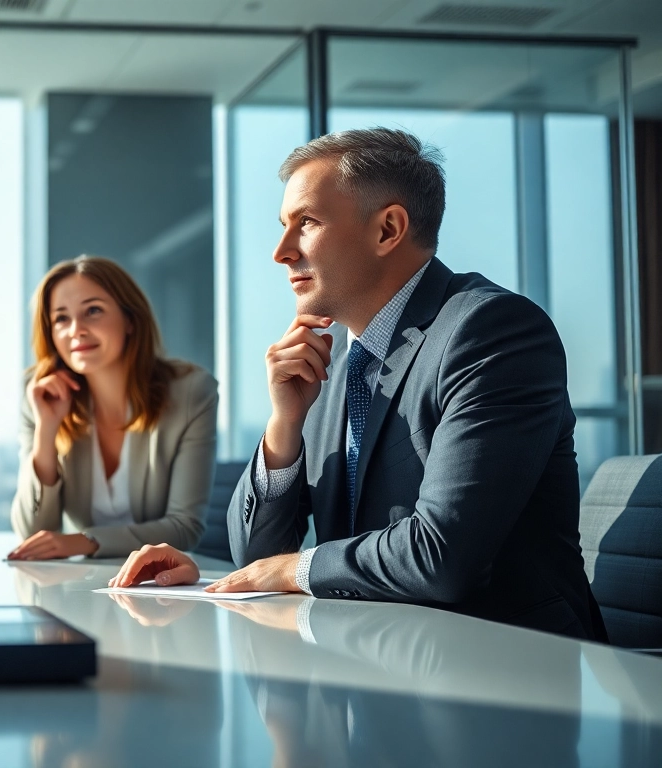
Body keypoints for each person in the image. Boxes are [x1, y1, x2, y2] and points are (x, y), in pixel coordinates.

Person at [109, 128, 606, 641]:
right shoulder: (336, 360)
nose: (281, 251)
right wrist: (285, 424)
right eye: (283, 226)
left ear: (388, 228)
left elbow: (441, 556)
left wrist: (290, 569)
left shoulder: (491, 331)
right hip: (369, 661)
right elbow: (256, 557)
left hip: (509, 668)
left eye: (306, 223)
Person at [9, 256, 217, 560]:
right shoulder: (41, 397)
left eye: (93, 311)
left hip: (161, 586)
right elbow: (32, 535)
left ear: (130, 319)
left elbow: (185, 527)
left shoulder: (190, 392)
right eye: (61, 318)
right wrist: (46, 432)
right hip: (83, 586)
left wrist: (84, 542)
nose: (76, 330)